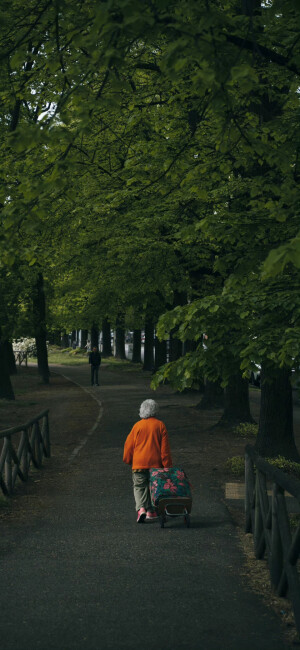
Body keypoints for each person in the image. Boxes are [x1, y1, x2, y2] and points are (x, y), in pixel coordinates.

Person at [123, 399, 172, 523]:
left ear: (142, 410)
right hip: (156, 465)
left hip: (139, 463)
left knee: (139, 486)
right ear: (156, 410)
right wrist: (167, 467)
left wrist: (129, 460)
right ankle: (151, 511)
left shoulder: (137, 426)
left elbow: (128, 446)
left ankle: (141, 509)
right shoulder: (160, 425)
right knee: (153, 487)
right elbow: (164, 450)